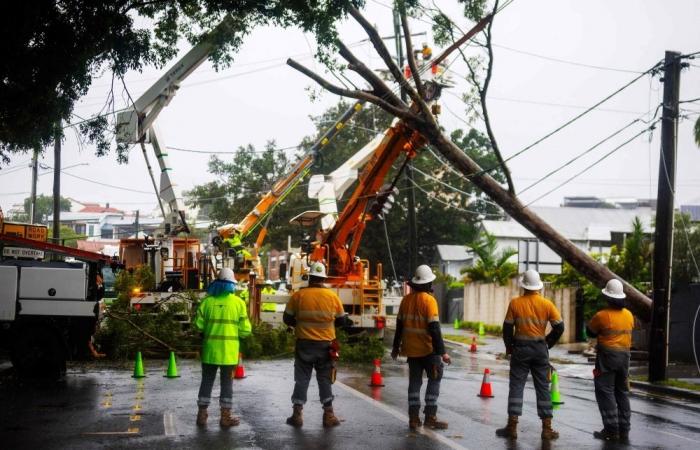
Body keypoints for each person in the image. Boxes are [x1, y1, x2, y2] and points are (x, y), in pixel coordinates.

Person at [496, 269, 564, 441]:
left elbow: (507, 327)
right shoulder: (547, 304)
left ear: (523, 286)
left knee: (517, 386)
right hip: (540, 349)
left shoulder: (515, 303)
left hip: (520, 349)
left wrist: (509, 346)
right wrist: (547, 343)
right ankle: (547, 429)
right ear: (539, 286)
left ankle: (512, 427)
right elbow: (559, 327)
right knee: (543, 387)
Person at [283, 261, 350, 428]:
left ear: (310, 277)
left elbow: (287, 319)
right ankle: (329, 415)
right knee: (324, 380)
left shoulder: (299, 296)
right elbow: (342, 321)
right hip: (326, 346)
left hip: (304, 344)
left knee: (302, 379)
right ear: (323, 278)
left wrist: (299, 323)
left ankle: (297, 414)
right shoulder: (332, 297)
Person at [391, 264, 451, 430]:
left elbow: (399, 326)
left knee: (414, 383)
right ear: (427, 284)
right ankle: (430, 417)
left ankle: (413, 418)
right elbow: (435, 329)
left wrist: (396, 347)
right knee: (435, 378)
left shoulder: (405, 300)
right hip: (428, 350)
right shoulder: (429, 301)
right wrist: (443, 353)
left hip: (411, 350)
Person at [194, 268, 252, 428]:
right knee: (227, 383)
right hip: (229, 352)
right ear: (231, 284)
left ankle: (202, 414)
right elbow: (246, 330)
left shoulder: (207, 302)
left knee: (207, 381)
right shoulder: (238, 303)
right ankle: (225, 417)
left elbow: (198, 326)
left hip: (210, 351)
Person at [587, 279, 634, 442]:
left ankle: (611, 430)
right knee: (622, 392)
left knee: (605, 391)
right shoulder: (629, 315)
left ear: (607, 297)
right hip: (625, 357)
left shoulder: (602, 315)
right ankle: (624, 429)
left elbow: (590, 331)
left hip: (607, 357)